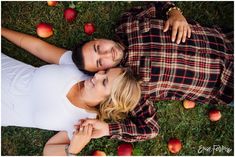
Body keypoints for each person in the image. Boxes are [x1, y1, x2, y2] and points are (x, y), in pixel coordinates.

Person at [70, 2, 234, 142]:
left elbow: (156, 3)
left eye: (98, 48)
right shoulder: (131, 88)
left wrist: (173, 11)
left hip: (227, 39)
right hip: (229, 84)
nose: (106, 54)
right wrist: (108, 129)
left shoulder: (127, 24)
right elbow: (150, 128)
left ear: (97, 39)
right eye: (100, 63)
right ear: (101, 71)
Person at [1, 27, 141, 155]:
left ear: (109, 101)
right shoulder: (79, 67)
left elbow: (48, 151)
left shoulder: (84, 123)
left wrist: (73, 149)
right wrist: (2, 30)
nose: (97, 75)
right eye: (105, 71)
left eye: (104, 82)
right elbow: (39, 48)